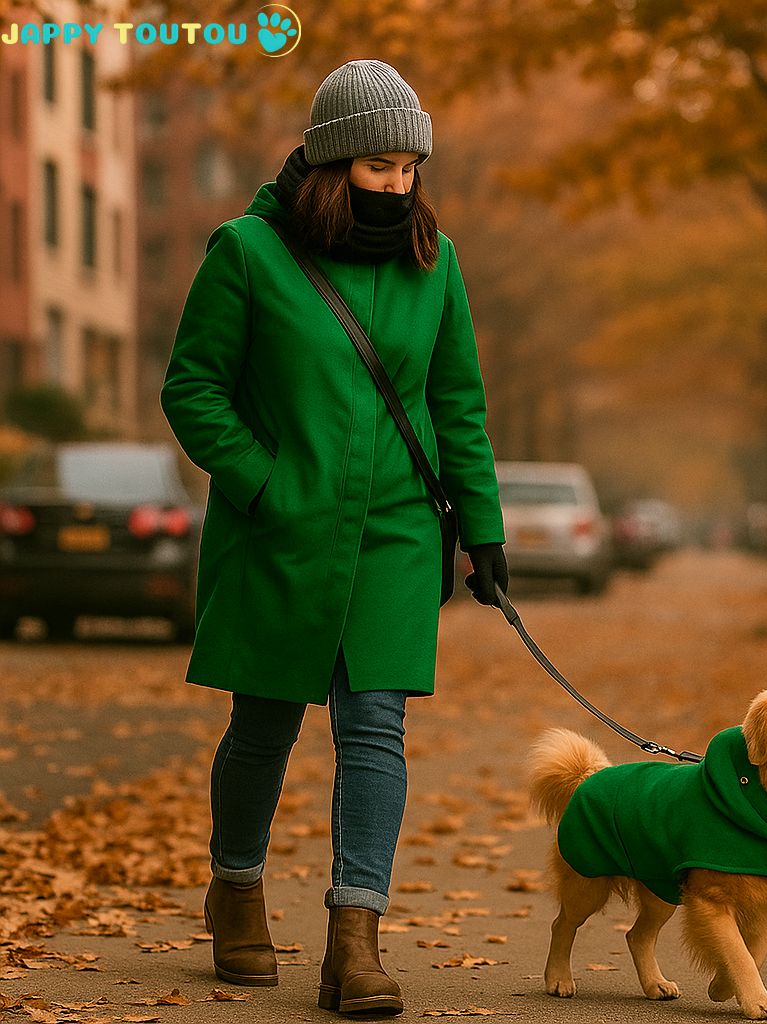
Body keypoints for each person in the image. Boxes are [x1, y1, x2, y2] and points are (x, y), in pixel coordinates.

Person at [160, 59, 509, 1018]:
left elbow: (457, 404)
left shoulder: (435, 262)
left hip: (394, 532)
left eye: (411, 166)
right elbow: (192, 389)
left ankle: (355, 941)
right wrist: (264, 483)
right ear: (331, 161)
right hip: (283, 527)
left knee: (375, 730)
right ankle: (235, 886)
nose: (399, 184)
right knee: (263, 725)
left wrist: (482, 527)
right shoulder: (247, 252)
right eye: (379, 165)